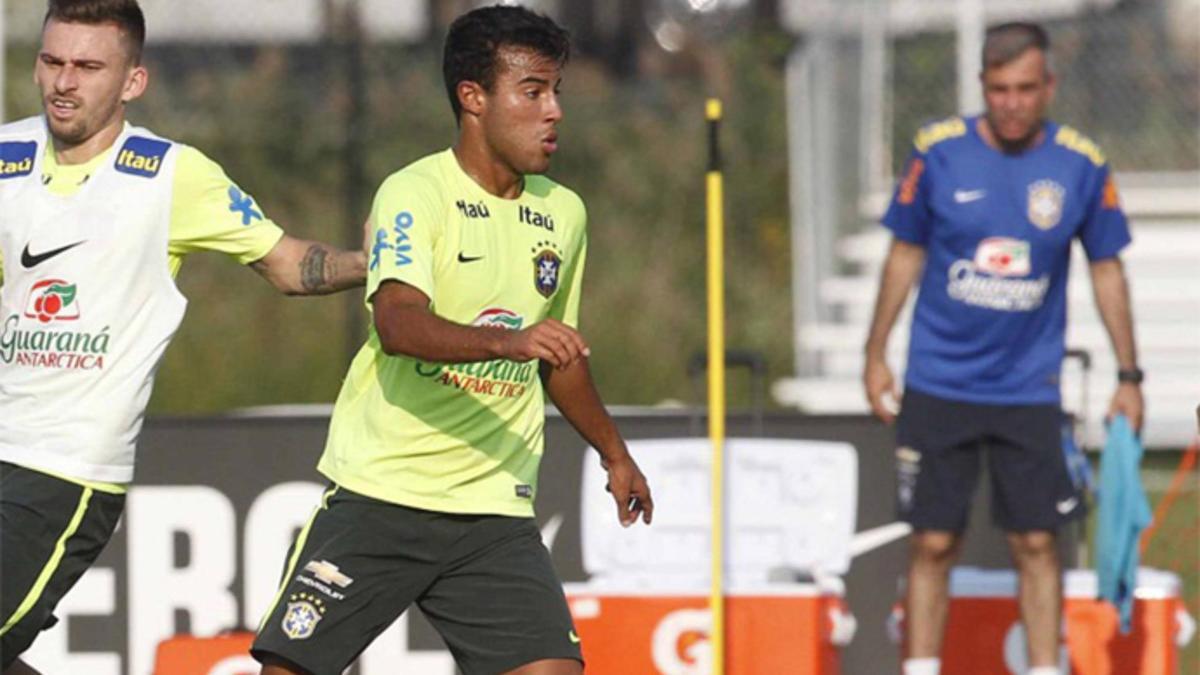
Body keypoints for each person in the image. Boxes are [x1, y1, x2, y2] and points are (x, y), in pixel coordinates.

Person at [250, 5, 653, 675]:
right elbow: (398, 321)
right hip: (383, 493)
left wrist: (614, 451)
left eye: (557, 91)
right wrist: (509, 342)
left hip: (493, 506)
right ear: (473, 98)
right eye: (532, 91)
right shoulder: (414, 193)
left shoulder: (564, 212)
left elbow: (560, 357)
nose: (554, 110)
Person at [0, 2, 367, 672]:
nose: (64, 82)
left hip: (64, 468)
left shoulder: (171, 175)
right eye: (53, 62)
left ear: (133, 82)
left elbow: (286, 263)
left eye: (87, 66)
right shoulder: (7, 153)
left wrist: (374, 264)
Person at [862, 22, 1142, 675]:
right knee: (932, 540)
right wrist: (876, 352)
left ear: (1049, 86)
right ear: (982, 86)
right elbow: (905, 253)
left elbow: (1108, 270)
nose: (1011, 102)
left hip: (1028, 386)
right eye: (998, 89)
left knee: (1038, 540)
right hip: (939, 380)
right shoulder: (936, 153)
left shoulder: (1080, 163)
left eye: (1024, 88)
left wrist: (1129, 373)